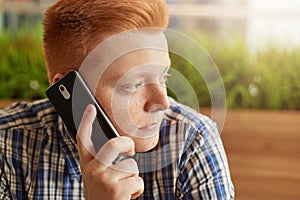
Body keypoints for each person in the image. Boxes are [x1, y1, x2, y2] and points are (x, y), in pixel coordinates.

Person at [0, 0, 235, 199]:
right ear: (70, 92)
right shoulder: (7, 145)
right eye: (133, 84)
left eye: (163, 76)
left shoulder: (192, 139)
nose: (162, 102)